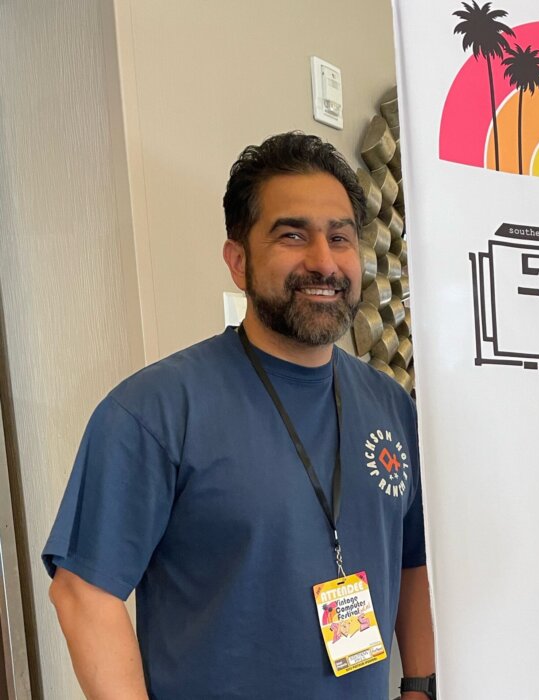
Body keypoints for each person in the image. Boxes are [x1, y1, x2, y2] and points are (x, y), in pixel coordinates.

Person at [42, 132, 435, 699]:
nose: (323, 261)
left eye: (340, 237)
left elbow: (414, 558)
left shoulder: (391, 405)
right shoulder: (155, 410)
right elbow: (83, 594)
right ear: (238, 260)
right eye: (292, 235)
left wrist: (420, 685)